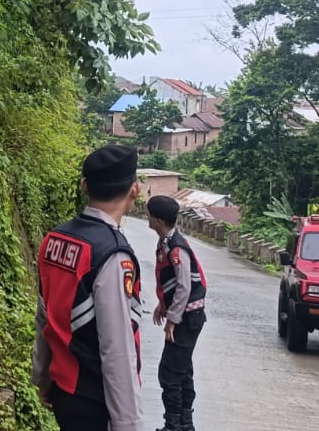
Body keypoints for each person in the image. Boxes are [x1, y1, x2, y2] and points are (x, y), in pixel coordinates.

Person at [31, 144, 145, 431]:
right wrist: (129, 424)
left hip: (63, 393)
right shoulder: (112, 255)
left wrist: (42, 377)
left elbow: (44, 317)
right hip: (96, 401)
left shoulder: (54, 240)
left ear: (84, 186)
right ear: (135, 190)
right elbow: (116, 348)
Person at [147, 195, 208, 431]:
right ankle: (185, 424)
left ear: (159, 220)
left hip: (187, 319)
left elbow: (185, 286)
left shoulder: (176, 248)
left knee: (170, 372)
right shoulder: (166, 243)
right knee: (183, 369)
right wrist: (163, 305)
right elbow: (171, 282)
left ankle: (174, 425)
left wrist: (172, 319)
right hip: (187, 315)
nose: (147, 217)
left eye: (150, 214)